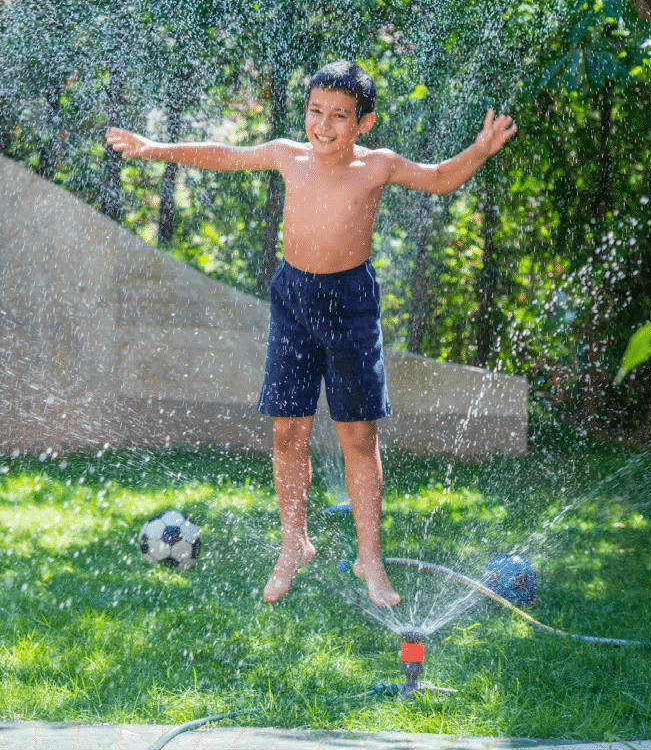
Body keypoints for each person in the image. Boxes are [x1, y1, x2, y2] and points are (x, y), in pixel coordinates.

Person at [106, 60, 516, 608]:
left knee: (358, 437)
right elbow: (224, 155)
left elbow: (439, 178)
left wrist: (481, 150)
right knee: (286, 431)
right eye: (316, 112)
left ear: (363, 124)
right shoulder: (287, 155)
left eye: (339, 117)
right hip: (293, 300)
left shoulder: (377, 166)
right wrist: (154, 147)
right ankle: (293, 542)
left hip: (350, 306)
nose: (324, 126)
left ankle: (369, 556)